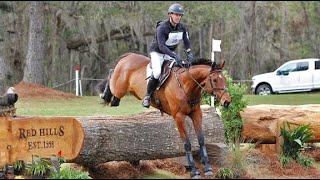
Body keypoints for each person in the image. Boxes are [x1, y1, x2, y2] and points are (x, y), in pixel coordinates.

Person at [142, 3, 194, 108]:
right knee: (157, 72)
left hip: (169, 53)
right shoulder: (162, 28)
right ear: (170, 14)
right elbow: (161, 47)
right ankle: (147, 96)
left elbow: (186, 41)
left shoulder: (182, 28)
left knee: (180, 69)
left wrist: (189, 52)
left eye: (180, 15)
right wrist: (174, 56)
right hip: (157, 52)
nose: (178, 17)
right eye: (176, 14)